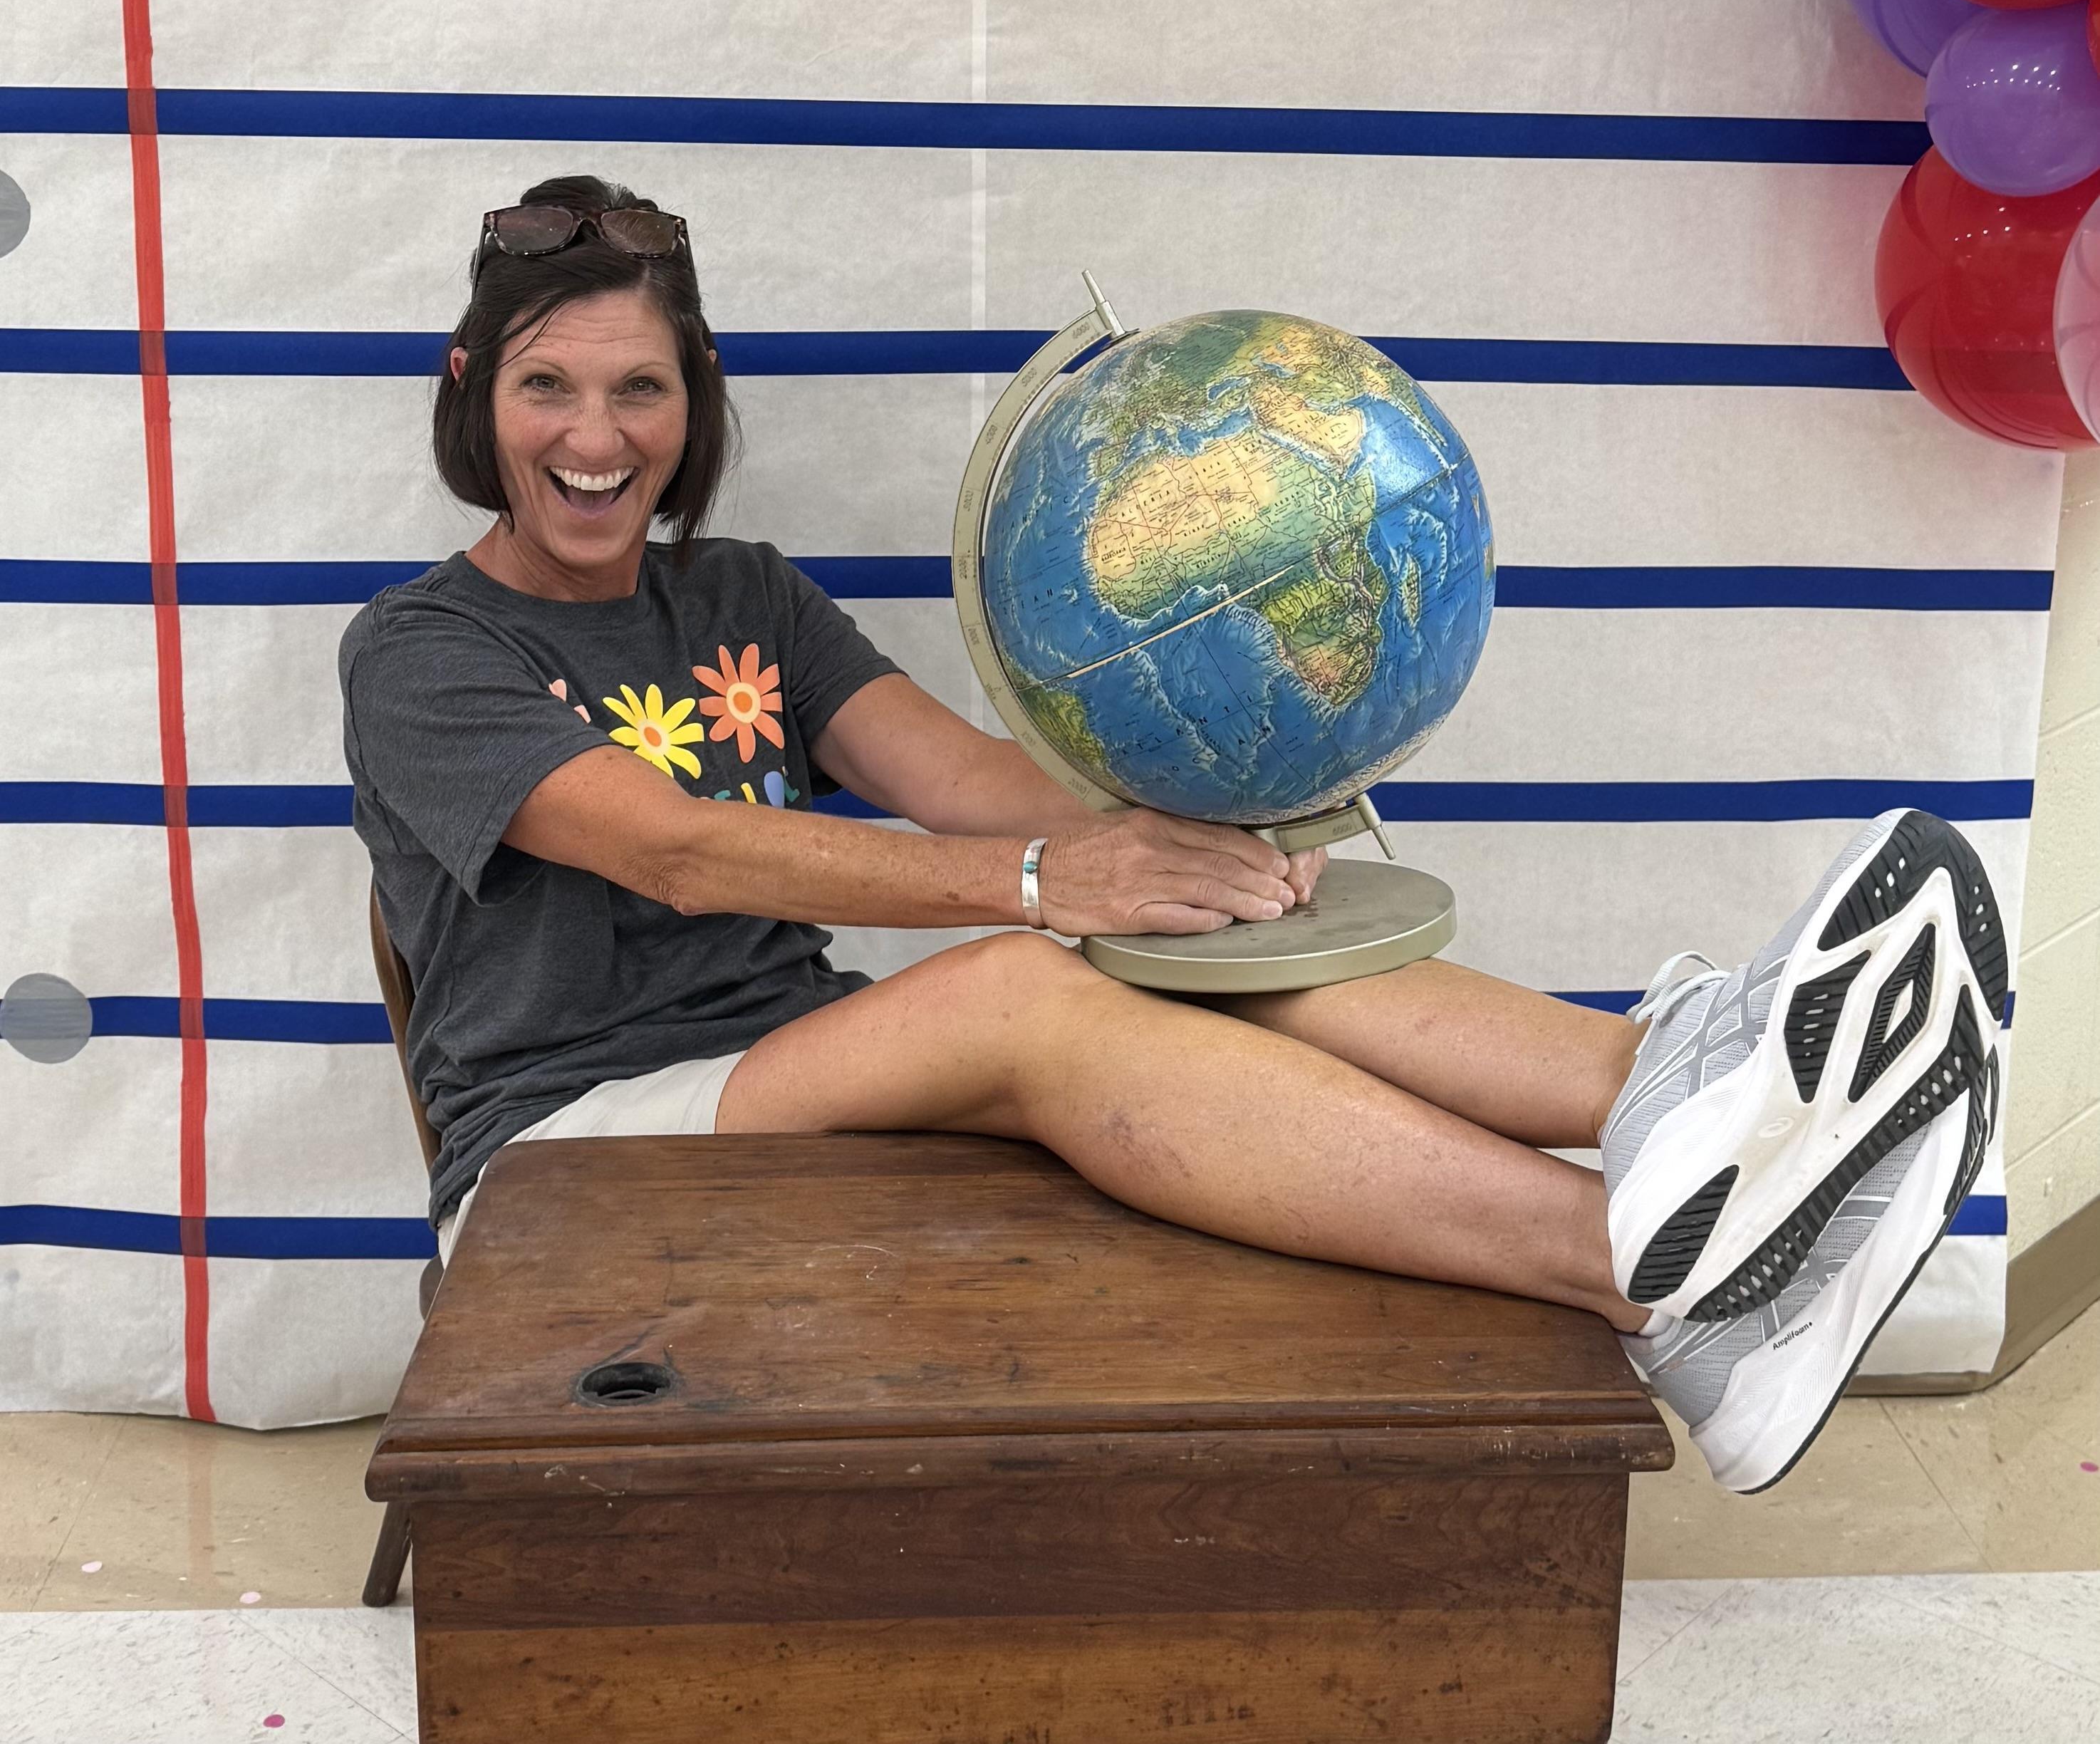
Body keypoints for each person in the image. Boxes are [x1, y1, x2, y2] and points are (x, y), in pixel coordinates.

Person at [341, 175, 2007, 1497]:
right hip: (563, 1153)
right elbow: (674, 850)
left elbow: (971, 781)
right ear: (474, 394)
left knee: (1184, 923)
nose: (594, 436)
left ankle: (1681, 1078)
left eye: (639, 388)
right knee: (1030, 978)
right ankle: (1650, 1278)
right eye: (549, 386)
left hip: (784, 1071)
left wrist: (1200, 840)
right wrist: (1043, 890)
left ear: (689, 403)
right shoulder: (421, 652)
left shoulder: (739, 592)